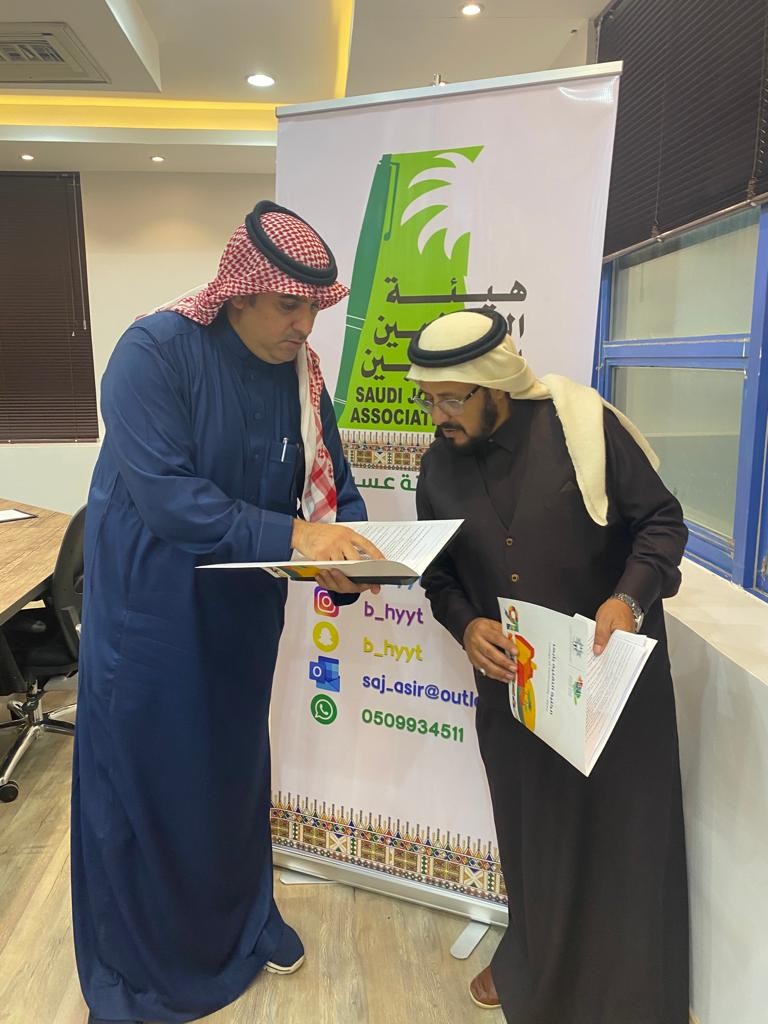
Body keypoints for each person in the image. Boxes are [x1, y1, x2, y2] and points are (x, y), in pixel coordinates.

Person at [72, 201, 383, 1024]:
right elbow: (172, 501)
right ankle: (144, 972)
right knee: (150, 788)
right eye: (289, 305)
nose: (304, 325)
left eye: (315, 308)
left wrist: (352, 561)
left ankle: (243, 927)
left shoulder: (299, 372)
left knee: (233, 780)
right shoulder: (152, 353)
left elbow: (330, 483)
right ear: (239, 293)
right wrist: (301, 536)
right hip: (151, 620)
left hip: (243, 616)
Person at [409, 309, 689, 1024]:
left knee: (620, 838)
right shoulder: (436, 468)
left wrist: (628, 599)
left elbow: (662, 523)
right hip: (516, 694)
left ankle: (625, 994)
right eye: (428, 400)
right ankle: (533, 963)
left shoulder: (582, 428)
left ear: (494, 386)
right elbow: (437, 576)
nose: (438, 416)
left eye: (451, 399)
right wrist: (466, 625)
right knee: (531, 837)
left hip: (611, 684)